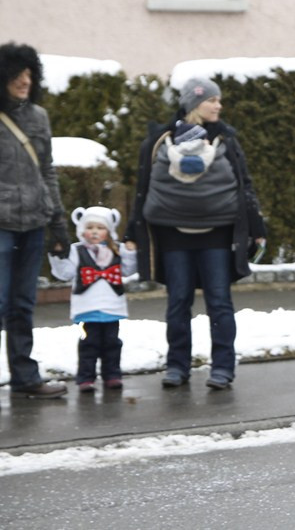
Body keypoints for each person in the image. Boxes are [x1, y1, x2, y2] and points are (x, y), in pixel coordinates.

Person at [125, 77, 266, 390]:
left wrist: (257, 227)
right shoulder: (162, 139)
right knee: (178, 302)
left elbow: (244, 184)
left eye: (218, 100)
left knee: (219, 302)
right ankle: (177, 366)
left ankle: (223, 369)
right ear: (192, 102)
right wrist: (132, 230)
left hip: (216, 233)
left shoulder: (227, 139)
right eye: (211, 100)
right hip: (174, 235)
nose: (218, 106)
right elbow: (143, 186)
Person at [0, 43, 69, 399]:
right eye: (17, 74)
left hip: (33, 225)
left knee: (23, 304)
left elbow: (47, 171)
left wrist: (58, 222)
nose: (24, 81)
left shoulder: (39, 117)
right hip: (2, 225)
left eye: (29, 74)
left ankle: (25, 377)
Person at [48, 207, 136, 392]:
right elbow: (65, 273)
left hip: (112, 308)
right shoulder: (76, 250)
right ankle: (86, 378)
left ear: (109, 230)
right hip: (87, 308)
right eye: (90, 227)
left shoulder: (116, 249)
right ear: (82, 229)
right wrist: (58, 255)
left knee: (112, 343)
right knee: (89, 343)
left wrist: (130, 252)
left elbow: (128, 270)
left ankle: (112, 375)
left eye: (100, 227)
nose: (95, 231)